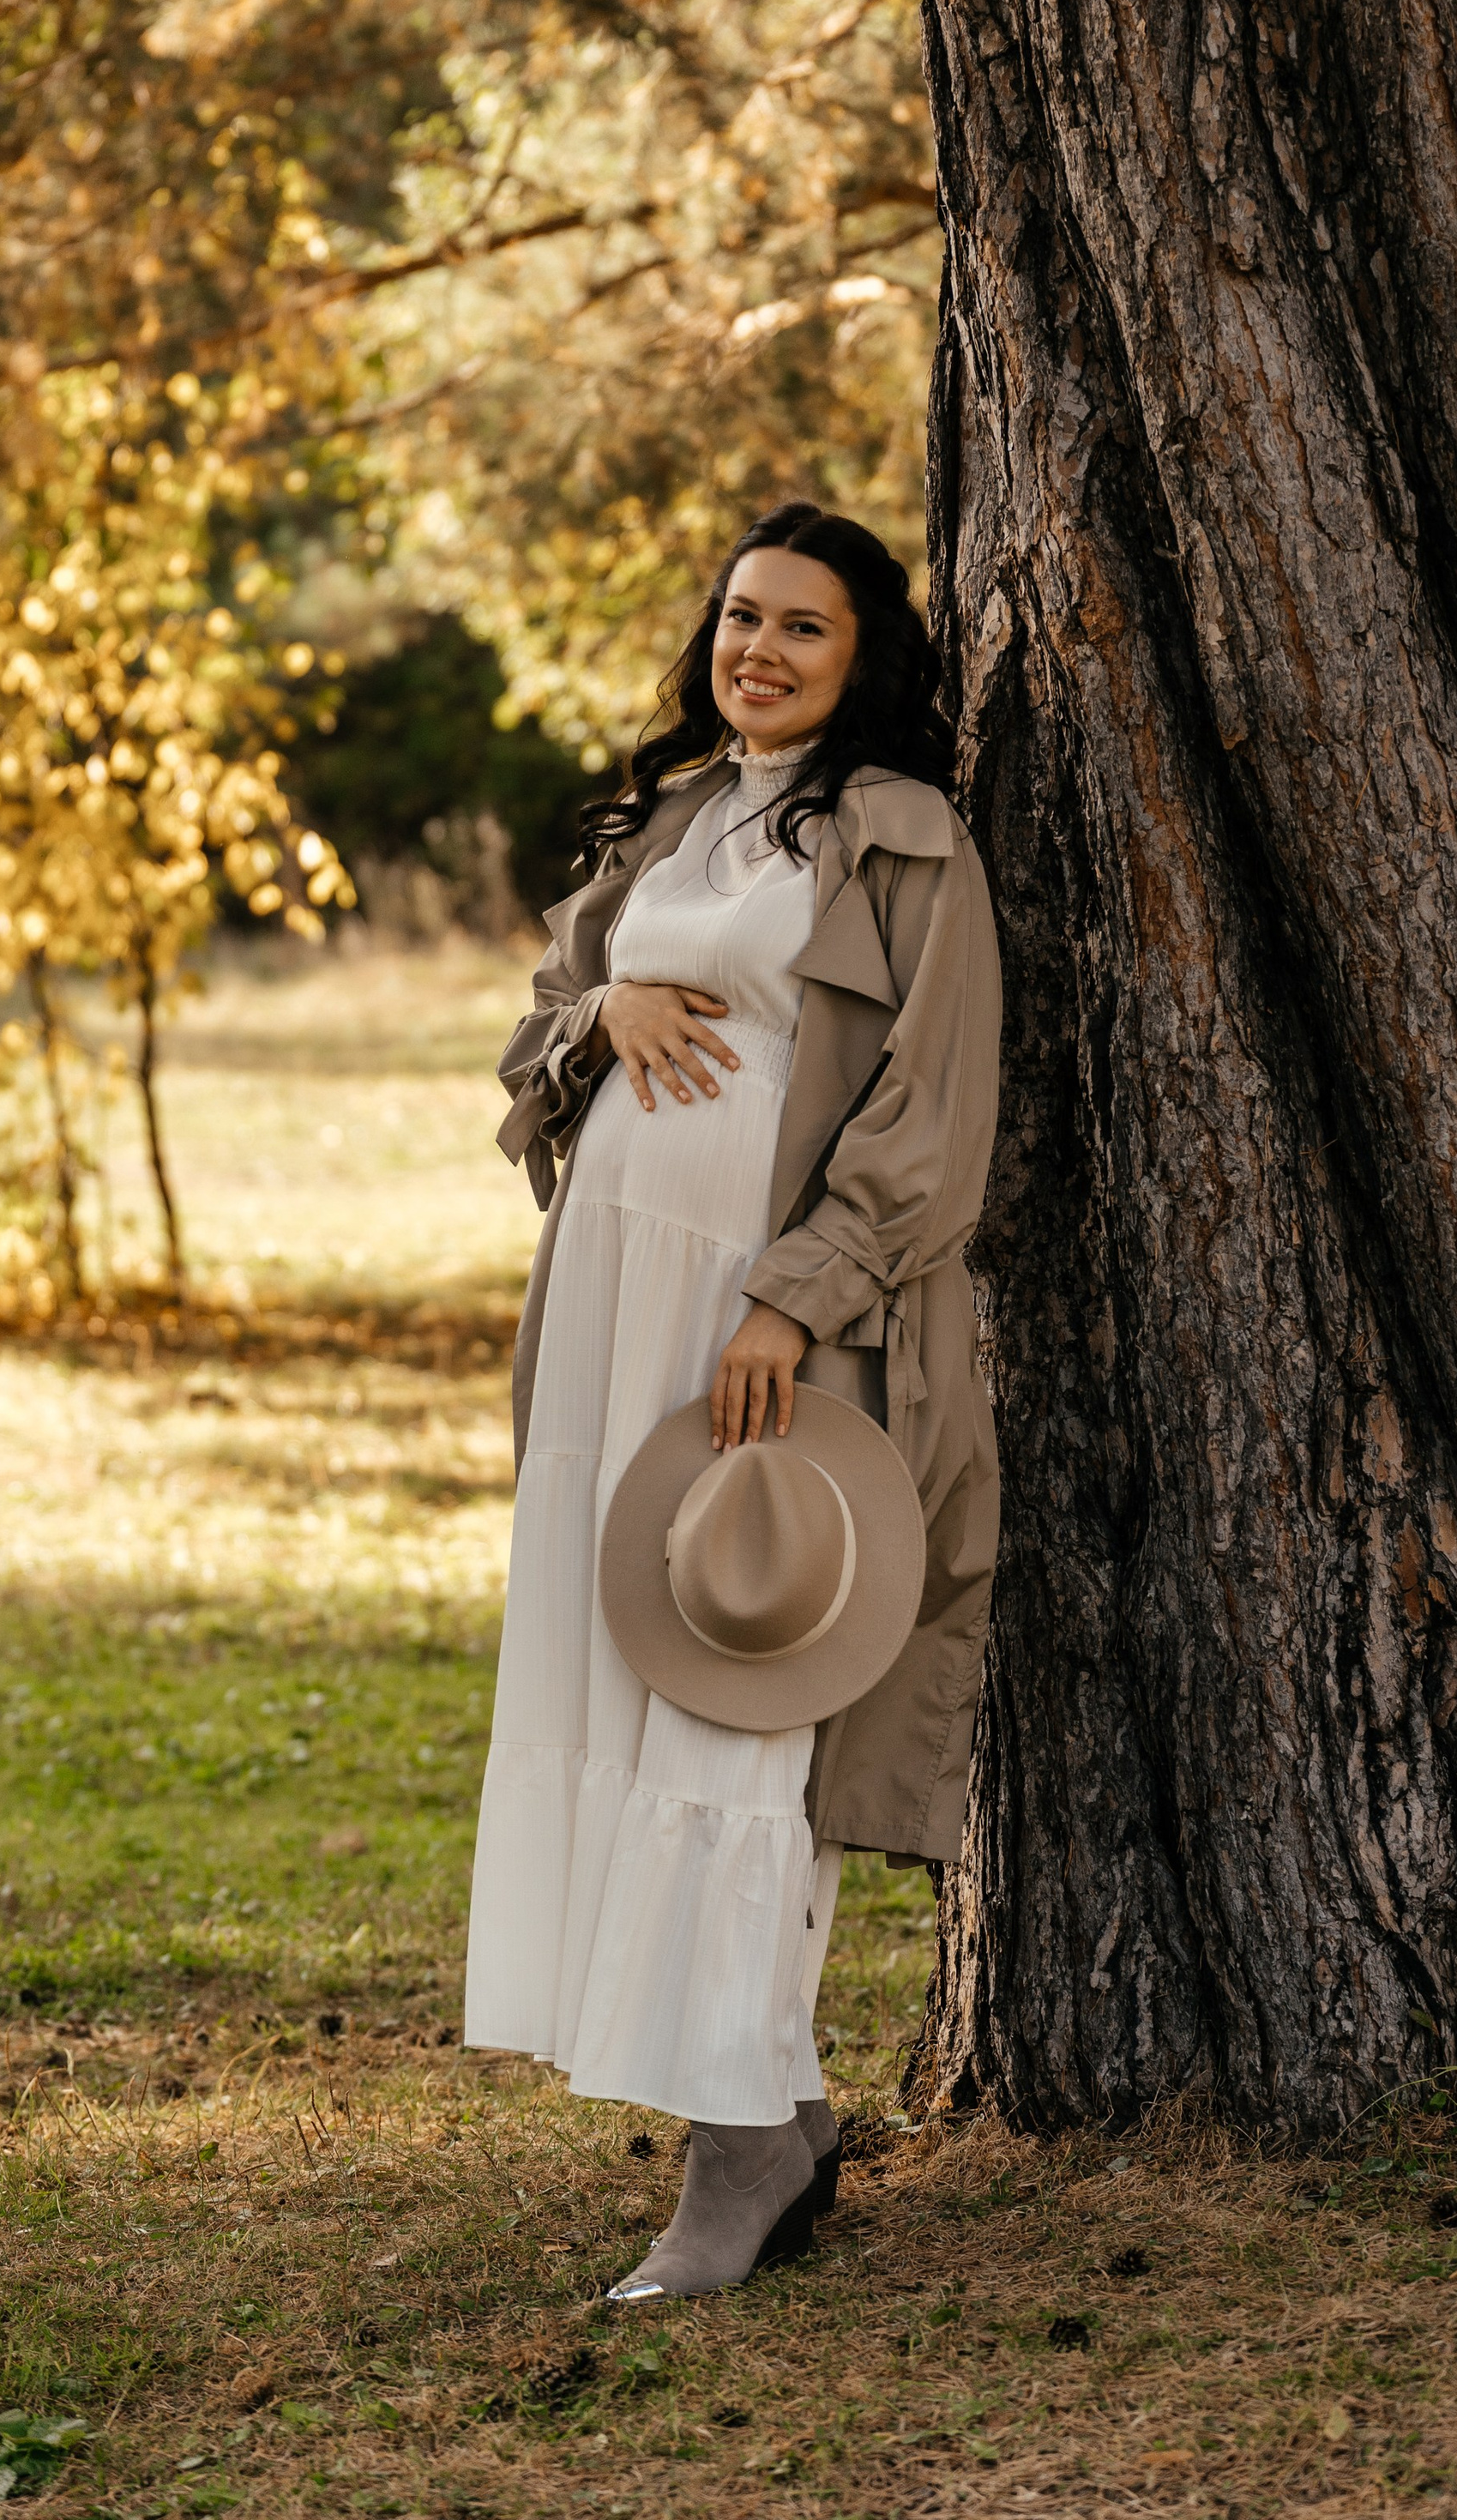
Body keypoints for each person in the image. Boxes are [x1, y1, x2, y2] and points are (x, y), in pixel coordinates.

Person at [463, 500, 1002, 2300]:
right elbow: (539, 1034)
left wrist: (794, 1294)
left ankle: (745, 2141)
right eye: (739, 618)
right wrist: (601, 1007)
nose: (756, 650)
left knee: (742, 1706)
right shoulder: (675, 820)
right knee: (633, 1683)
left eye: (802, 629)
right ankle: (743, 2106)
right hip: (612, 1317)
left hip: (766, 1334)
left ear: (867, 663)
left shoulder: (901, 839)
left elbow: (931, 1119)